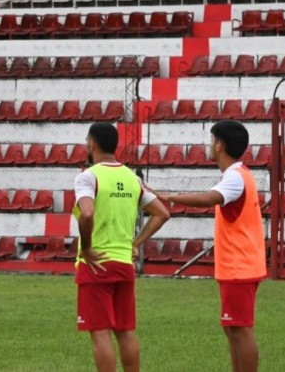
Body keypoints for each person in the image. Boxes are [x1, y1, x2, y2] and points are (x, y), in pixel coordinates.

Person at [148, 120, 266, 372]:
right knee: (232, 327)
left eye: (211, 140)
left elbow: (210, 198)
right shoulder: (237, 174)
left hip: (240, 266)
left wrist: (169, 197)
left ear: (220, 145)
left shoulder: (235, 176)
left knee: (240, 328)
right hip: (238, 265)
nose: (209, 145)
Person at [73, 122, 170, 372]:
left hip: (96, 264)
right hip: (124, 263)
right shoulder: (132, 178)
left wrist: (86, 247)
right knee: (125, 332)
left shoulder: (88, 176)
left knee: (100, 333)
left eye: (87, 141)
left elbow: (86, 213)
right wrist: (136, 243)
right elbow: (162, 213)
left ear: (92, 144)